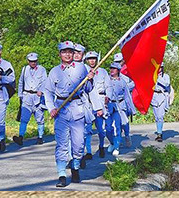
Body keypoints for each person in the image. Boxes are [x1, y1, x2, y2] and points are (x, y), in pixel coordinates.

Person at [43, 41, 101, 187]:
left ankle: (75, 167)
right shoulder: (54, 71)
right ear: (60, 54)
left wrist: (90, 79)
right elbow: (48, 92)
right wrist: (51, 108)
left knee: (78, 143)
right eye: (64, 52)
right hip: (61, 109)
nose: (67, 54)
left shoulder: (81, 68)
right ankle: (62, 174)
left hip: (77, 109)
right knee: (62, 144)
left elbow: (87, 88)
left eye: (70, 51)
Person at [13, 52, 47, 146]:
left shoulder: (42, 69)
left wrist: (41, 91)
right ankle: (20, 137)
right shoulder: (24, 69)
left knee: (39, 118)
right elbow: (21, 82)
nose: (33, 63)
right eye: (31, 61)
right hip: (26, 96)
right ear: (28, 61)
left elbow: (45, 82)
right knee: (24, 118)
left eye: (35, 61)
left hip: (37, 97)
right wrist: (20, 95)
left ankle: (40, 137)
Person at [83, 51, 110, 160]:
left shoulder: (103, 72)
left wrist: (108, 97)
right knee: (87, 129)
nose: (92, 61)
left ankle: (101, 145)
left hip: (100, 100)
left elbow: (108, 86)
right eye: (90, 59)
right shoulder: (83, 70)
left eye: (94, 58)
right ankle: (88, 151)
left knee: (101, 129)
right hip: (87, 102)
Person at [105, 62, 136, 155]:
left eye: (114, 69)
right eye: (111, 68)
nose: (111, 70)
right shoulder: (106, 80)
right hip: (109, 106)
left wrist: (132, 109)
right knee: (108, 128)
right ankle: (112, 142)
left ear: (118, 71)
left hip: (120, 106)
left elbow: (127, 96)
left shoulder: (122, 82)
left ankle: (118, 146)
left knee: (120, 126)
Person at [113, 53, 135, 147]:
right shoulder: (112, 72)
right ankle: (119, 138)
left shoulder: (127, 72)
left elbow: (134, 83)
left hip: (124, 101)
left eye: (120, 61)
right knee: (116, 123)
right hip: (114, 102)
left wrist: (125, 87)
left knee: (125, 122)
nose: (119, 63)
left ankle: (126, 135)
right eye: (116, 62)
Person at [151, 62, 171, 141]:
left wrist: (158, 78)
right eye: (158, 67)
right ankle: (158, 130)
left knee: (160, 116)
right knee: (156, 116)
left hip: (162, 96)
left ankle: (159, 134)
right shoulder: (152, 76)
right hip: (155, 96)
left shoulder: (166, 76)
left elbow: (166, 84)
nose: (159, 69)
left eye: (161, 67)